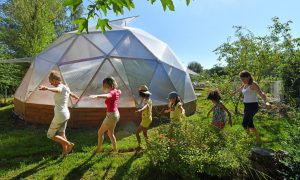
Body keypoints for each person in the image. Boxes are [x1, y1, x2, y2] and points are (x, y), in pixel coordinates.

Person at [39, 71, 79, 156]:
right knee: (61, 134)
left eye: (51, 82)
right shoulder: (66, 87)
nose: (51, 84)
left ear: (54, 80)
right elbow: (70, 93)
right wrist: (74, 96)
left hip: (60, 115)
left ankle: (69, 144)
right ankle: (64, 152)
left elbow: (58, 90)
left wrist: (47, 88)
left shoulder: (60, 87)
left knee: (50, 135)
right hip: (66, 114)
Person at [231, 70, 270, 144]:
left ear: (248, 77)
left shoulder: (253, 84)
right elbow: (240, 88)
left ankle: (247, 136)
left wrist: (266, 102)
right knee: (250, 123)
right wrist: (234, 93)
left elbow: (261, 93)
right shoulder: (245, 84)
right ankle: (258, 140)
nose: (242, 80)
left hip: (252, 106)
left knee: (244, 123)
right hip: (246, 105)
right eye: (241, 79)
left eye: (243, 79)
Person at [89, 77, 121, 153]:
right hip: (115, 114)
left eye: (103, 85)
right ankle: (115, 150)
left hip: (111, 116)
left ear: (106, 85)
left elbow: (108, 96)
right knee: (110, 133)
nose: (103, 87)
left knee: (100, 133)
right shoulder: (116, 91)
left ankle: (99, 149)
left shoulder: (112, 92)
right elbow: (119, 91)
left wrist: (97, 96)